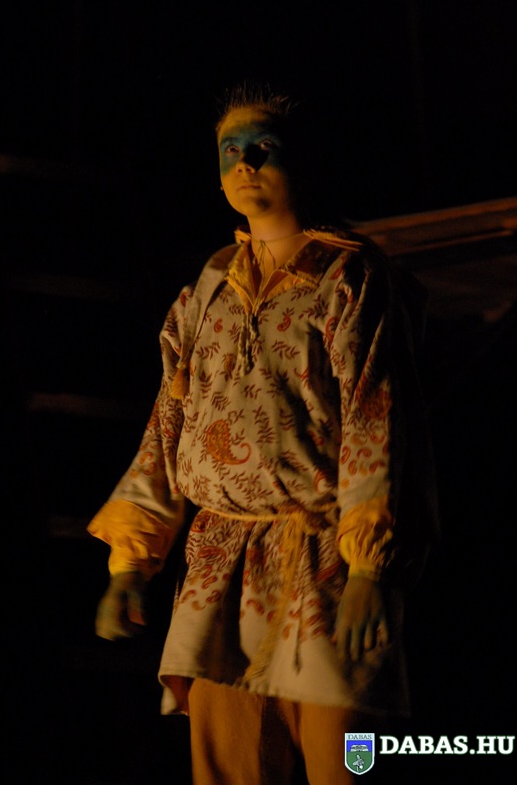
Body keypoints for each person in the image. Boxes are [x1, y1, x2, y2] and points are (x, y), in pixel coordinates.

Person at [88, 81, 438, 784]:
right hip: (219, 567)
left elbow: (376, 417)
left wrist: (369, 568)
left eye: (263, 147)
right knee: (231, 764)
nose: (245, 164)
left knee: (343, 760)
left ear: (302, 160)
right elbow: (169, 423)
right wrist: (132, 562)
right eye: (230, 151)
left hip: (323, 558)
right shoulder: (211, 285)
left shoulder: (349, 277)